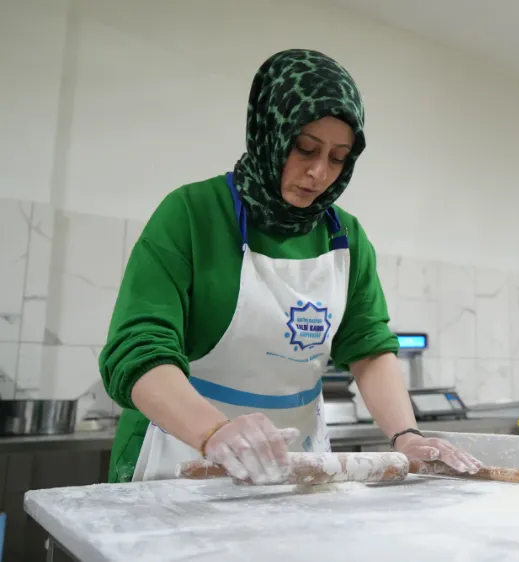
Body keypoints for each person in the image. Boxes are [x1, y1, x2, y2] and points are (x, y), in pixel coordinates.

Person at [99, 49, 482, 484]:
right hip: (181, 452)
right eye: (305, 148)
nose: (320, 173)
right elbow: (137, 350)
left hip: (297, 463)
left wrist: (407, 436)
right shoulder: (192, 214)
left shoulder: (345, 237)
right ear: (270, 132)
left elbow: (369, 348)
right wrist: (214, 432)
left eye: (338, 158)